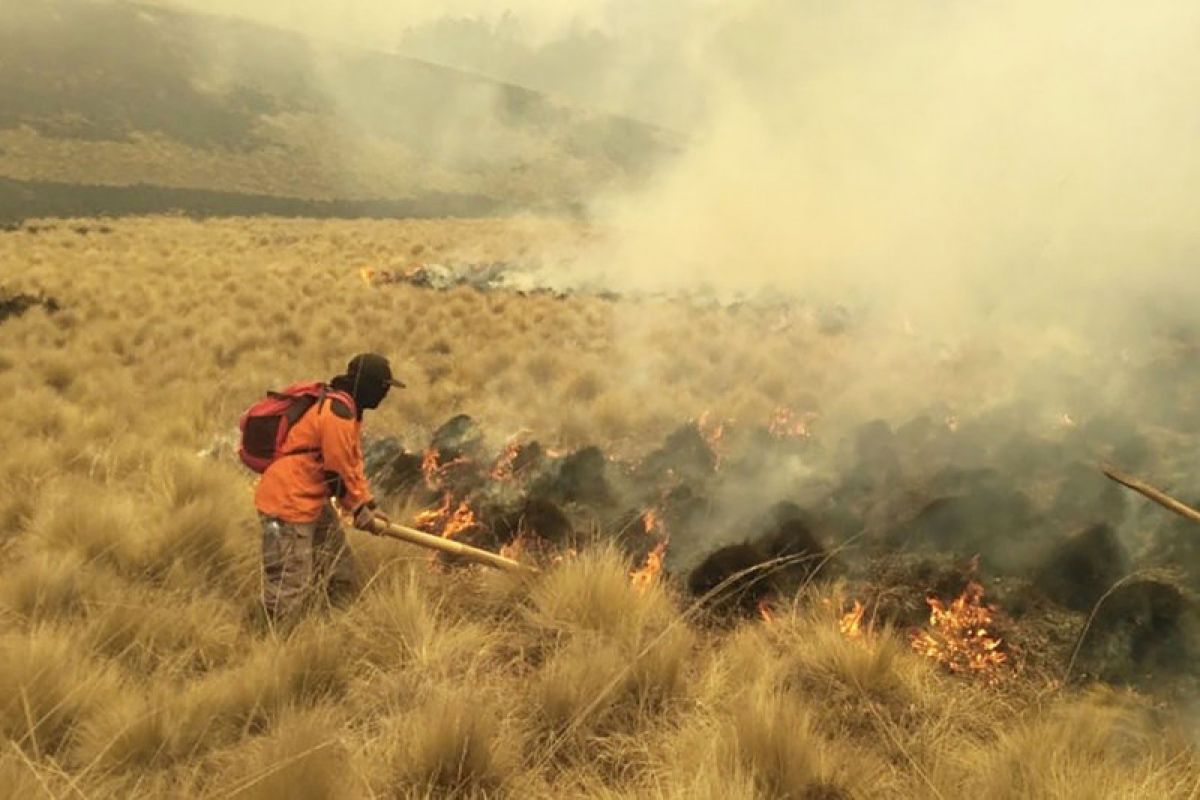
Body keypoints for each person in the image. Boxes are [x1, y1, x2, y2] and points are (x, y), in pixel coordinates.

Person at [253, 353, 404, 627]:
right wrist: (357, 510)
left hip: (310, 499)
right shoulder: (338, 412)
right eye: (382, 387)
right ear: (368, 385)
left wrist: (368, 505)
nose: (384, 395)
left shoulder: (349, 410)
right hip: (288, 503)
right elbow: (336, 474)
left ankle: (336, 629)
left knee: (338, 569)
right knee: (290, 583)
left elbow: (351, 465)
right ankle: (274, 644)